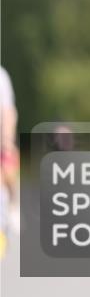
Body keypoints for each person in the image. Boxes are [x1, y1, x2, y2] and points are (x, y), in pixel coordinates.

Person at [0, 66, 19, 259]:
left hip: (1, 140)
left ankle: (12, 206)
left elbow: (8, 112)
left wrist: (7, 141)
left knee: (7, 176)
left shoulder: (1, 76)